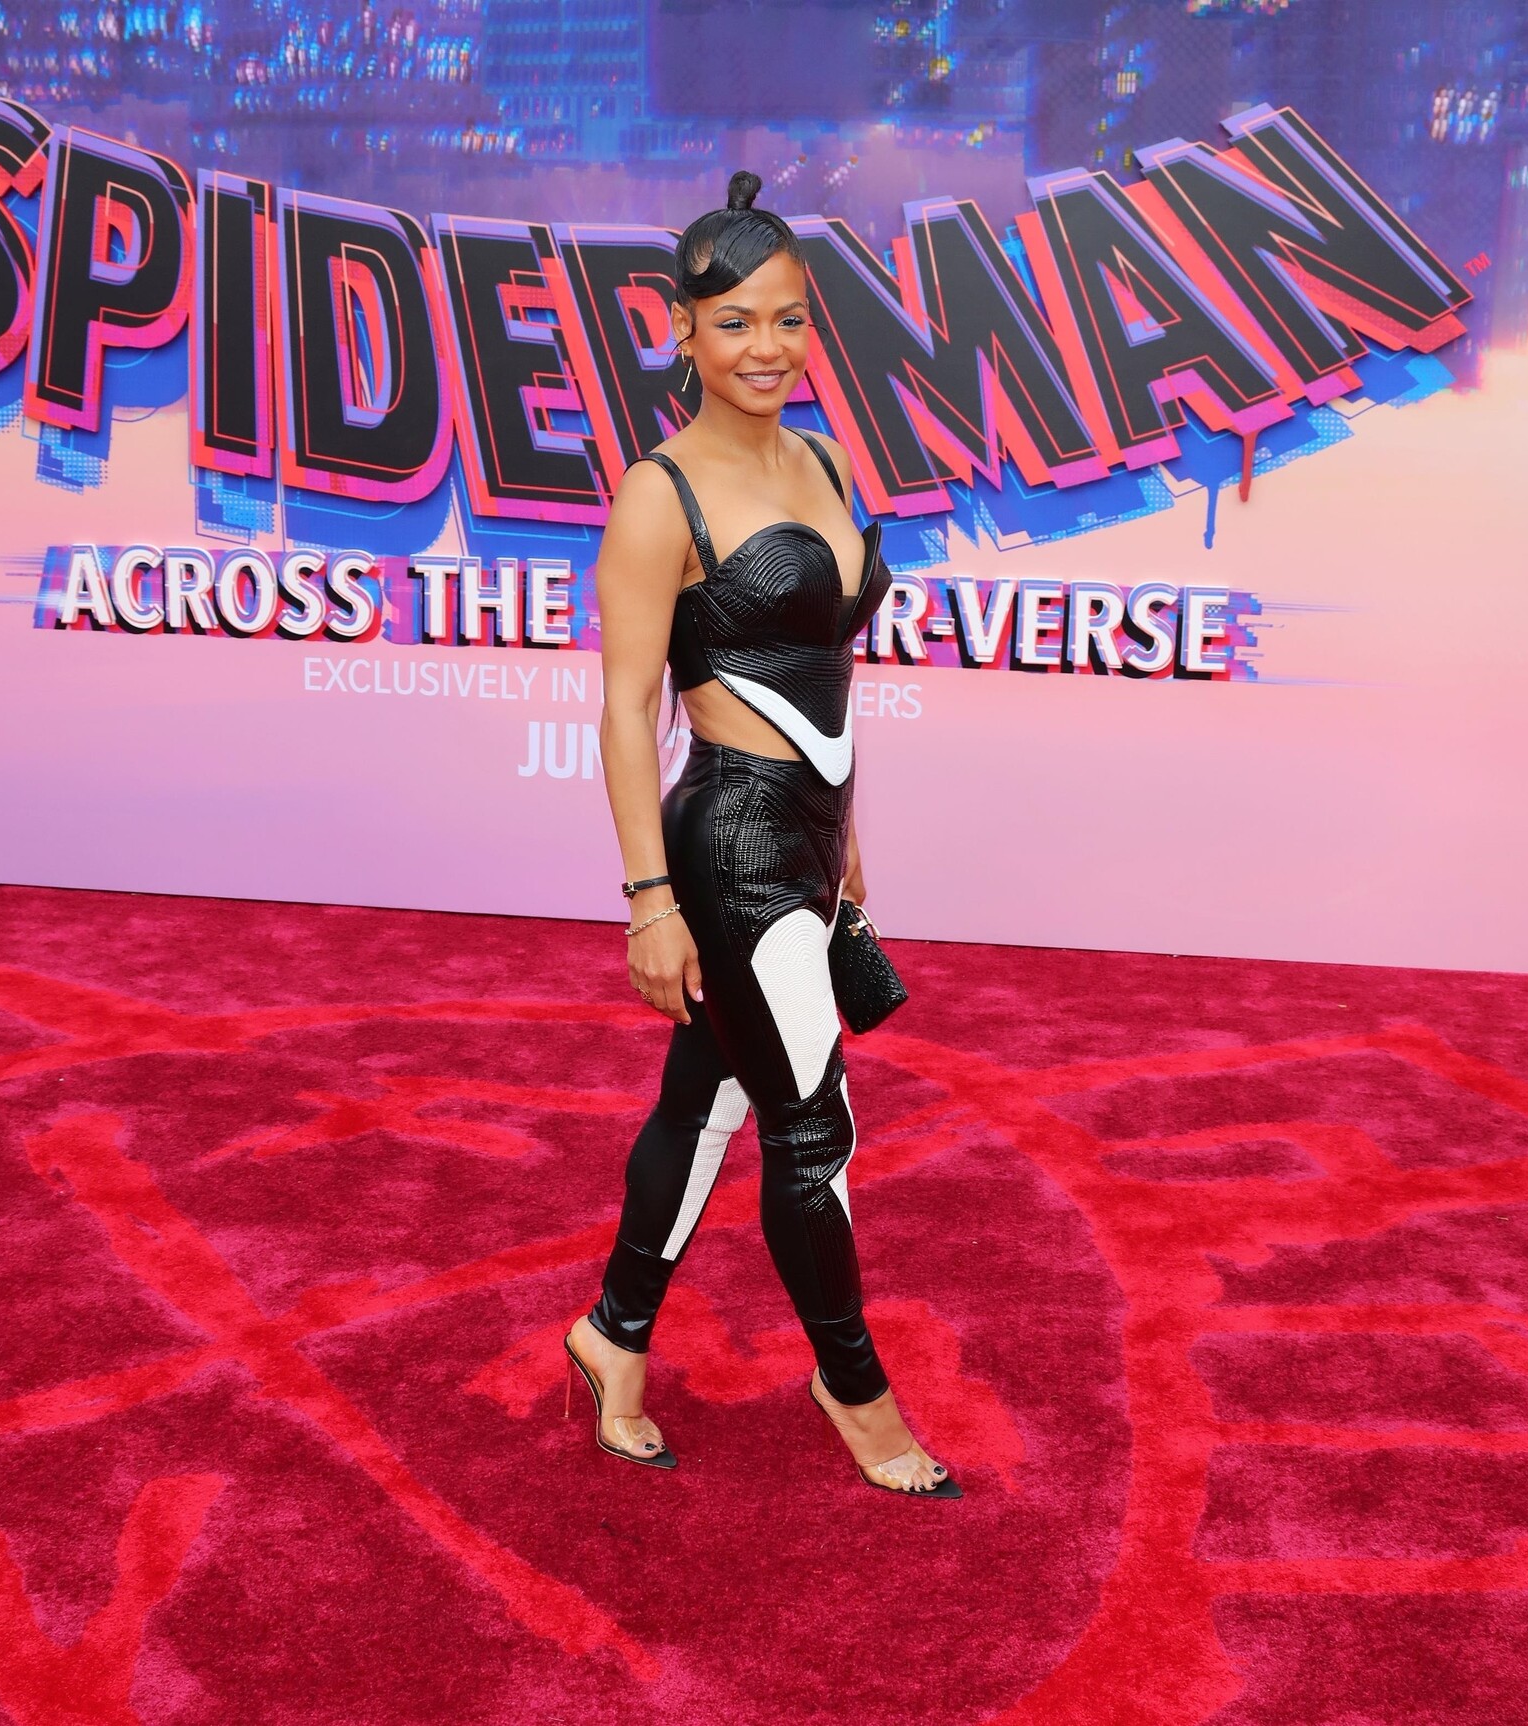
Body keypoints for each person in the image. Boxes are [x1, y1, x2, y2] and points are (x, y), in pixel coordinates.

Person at [561, 171, 959, 1498]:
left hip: (809, 839)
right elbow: (626, 710)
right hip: (728, 849)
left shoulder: (823, 462)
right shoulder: (658, 494)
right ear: (681, 329)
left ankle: (614, 1335)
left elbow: (832, 677)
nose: (767, 347)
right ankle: (857, 1391)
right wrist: (648, 900)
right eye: (734, 322)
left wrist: (849, 842)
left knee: (707, 1096)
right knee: (812, 1131)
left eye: (788, 318)